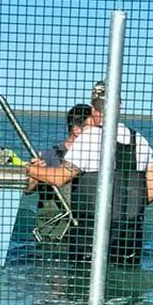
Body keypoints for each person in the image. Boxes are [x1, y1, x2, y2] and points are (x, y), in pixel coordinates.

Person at [26, 81, 153, 266]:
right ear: (119, 106)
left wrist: (28, 168)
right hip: (129, 242)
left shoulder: (88, 139)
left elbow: (59, 178)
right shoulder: (140, 140)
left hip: (89, 241)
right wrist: (123, 206)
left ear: (92, 109)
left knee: (81, 291)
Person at [26, 104, 92, 243]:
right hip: (51, 236)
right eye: (93, 129)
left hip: (85, 237)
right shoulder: (48, 156)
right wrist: (35, 171)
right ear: (76, 129)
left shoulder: (96, 159)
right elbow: (27, 189)